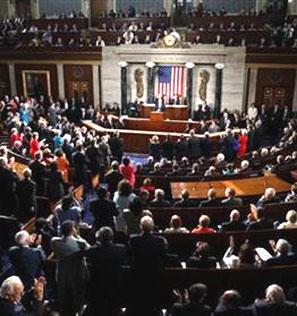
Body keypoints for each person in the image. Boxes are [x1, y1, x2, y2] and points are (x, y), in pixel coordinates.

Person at [129, 216, 167, 314]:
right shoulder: (159, 241)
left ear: (140, 226)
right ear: (152, 227)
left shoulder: (133, 239)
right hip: (153, 273)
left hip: (138, 273)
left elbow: (130, 255)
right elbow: (162, 255)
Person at [51, 220, 90, 316]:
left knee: (64, 296)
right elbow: (89, 249)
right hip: (78, 272)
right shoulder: (80, 243)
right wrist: (77, 235)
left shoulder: (54, 241)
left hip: (62, 273)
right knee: (78, 295)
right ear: (73, 229)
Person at [86, 227, 127, 316]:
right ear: (112, 237)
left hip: (98, 284)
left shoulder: (92, 250)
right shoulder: (121, 249)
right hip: (115, 283)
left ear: (99, 238)